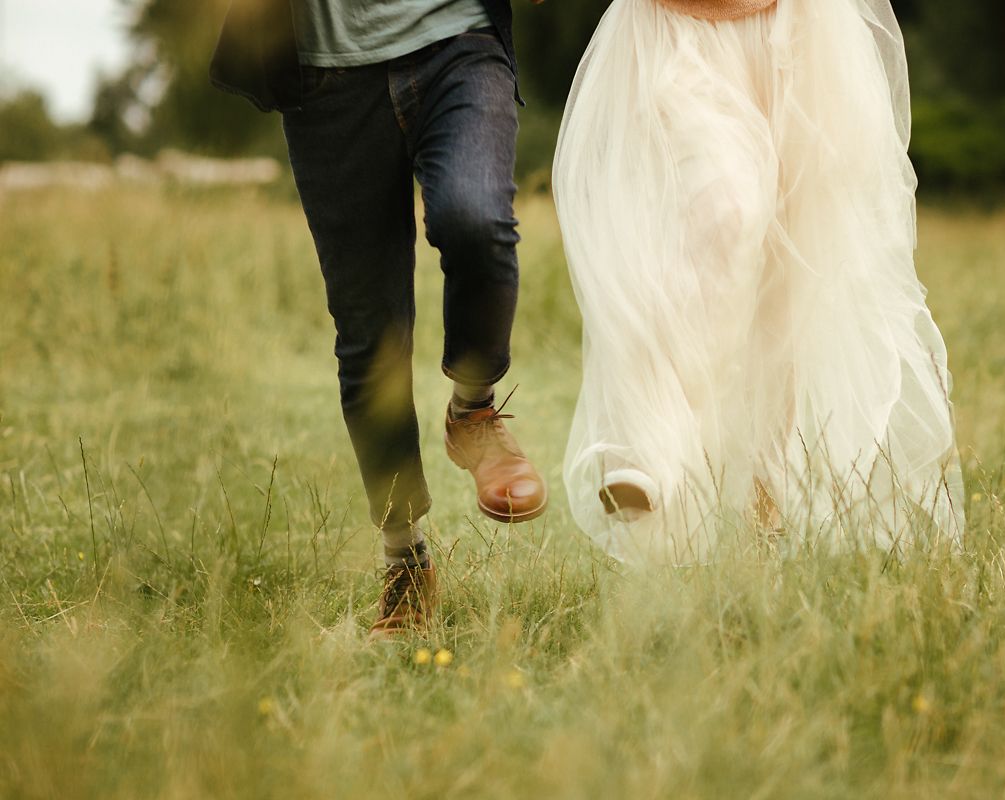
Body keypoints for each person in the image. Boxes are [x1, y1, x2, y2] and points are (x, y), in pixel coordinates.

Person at [553, 0, 964, 566]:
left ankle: (766, 513)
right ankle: (646, 448)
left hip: (799, 33)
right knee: (726, 212)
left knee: (790, 278)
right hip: (676, 29)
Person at [210, 0, 548, 638]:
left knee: (475, 220)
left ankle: (473, 413)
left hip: (455, 39)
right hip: (326, 74)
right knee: (369, 332)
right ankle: (405, 558)